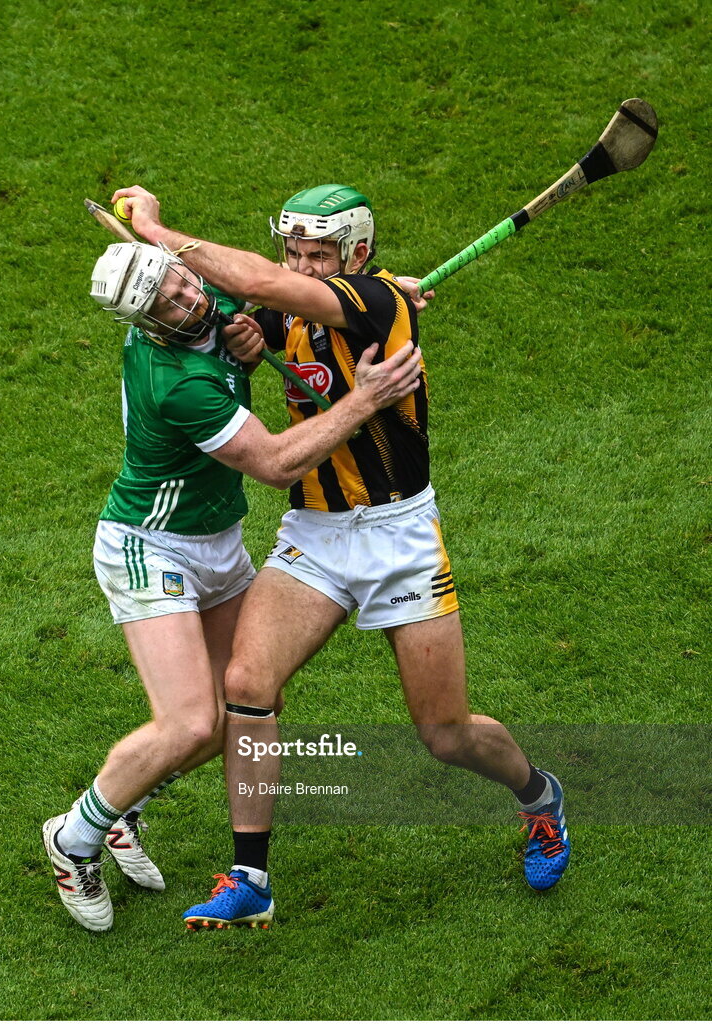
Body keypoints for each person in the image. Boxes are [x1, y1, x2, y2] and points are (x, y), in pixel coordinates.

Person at [110, 183, 571, 931]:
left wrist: (157, 227)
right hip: (316, 533)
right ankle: (251, 874)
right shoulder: (300, 306)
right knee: (248, 686)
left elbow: (253, 279)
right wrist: (244, 339)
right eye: (292, 250)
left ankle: (539, 798)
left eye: (316, 254)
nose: (298, 265)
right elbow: (236, 304)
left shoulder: (375, 305)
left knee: (443, 732)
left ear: (356, 254)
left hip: (401, 535)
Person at [42, 237, 423, 931]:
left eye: (182, 283)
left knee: (238, 712)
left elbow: (275, 287)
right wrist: (364, 400)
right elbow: (278, 464)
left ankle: (124, 806)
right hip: (149, 548)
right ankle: (74, 839)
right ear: (147, 325)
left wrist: (379, 298)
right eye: (168, 304)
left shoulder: (202, 296)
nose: (190, 300)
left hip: (217, 544)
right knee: (188, 722)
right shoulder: (174, 381)